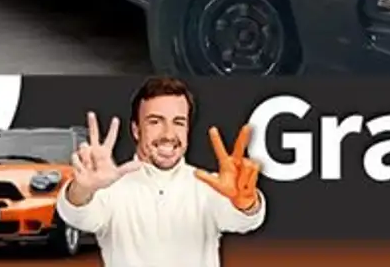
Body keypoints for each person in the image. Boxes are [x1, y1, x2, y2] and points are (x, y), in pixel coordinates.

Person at [56, 76, 265, 267]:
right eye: (155, 122)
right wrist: (82, 189)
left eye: (178, 122)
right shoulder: (111, 188)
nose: (169, 134)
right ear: (136, 130)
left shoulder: (209, 186)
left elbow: (243, 222)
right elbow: (77, 216)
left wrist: (247, 205)